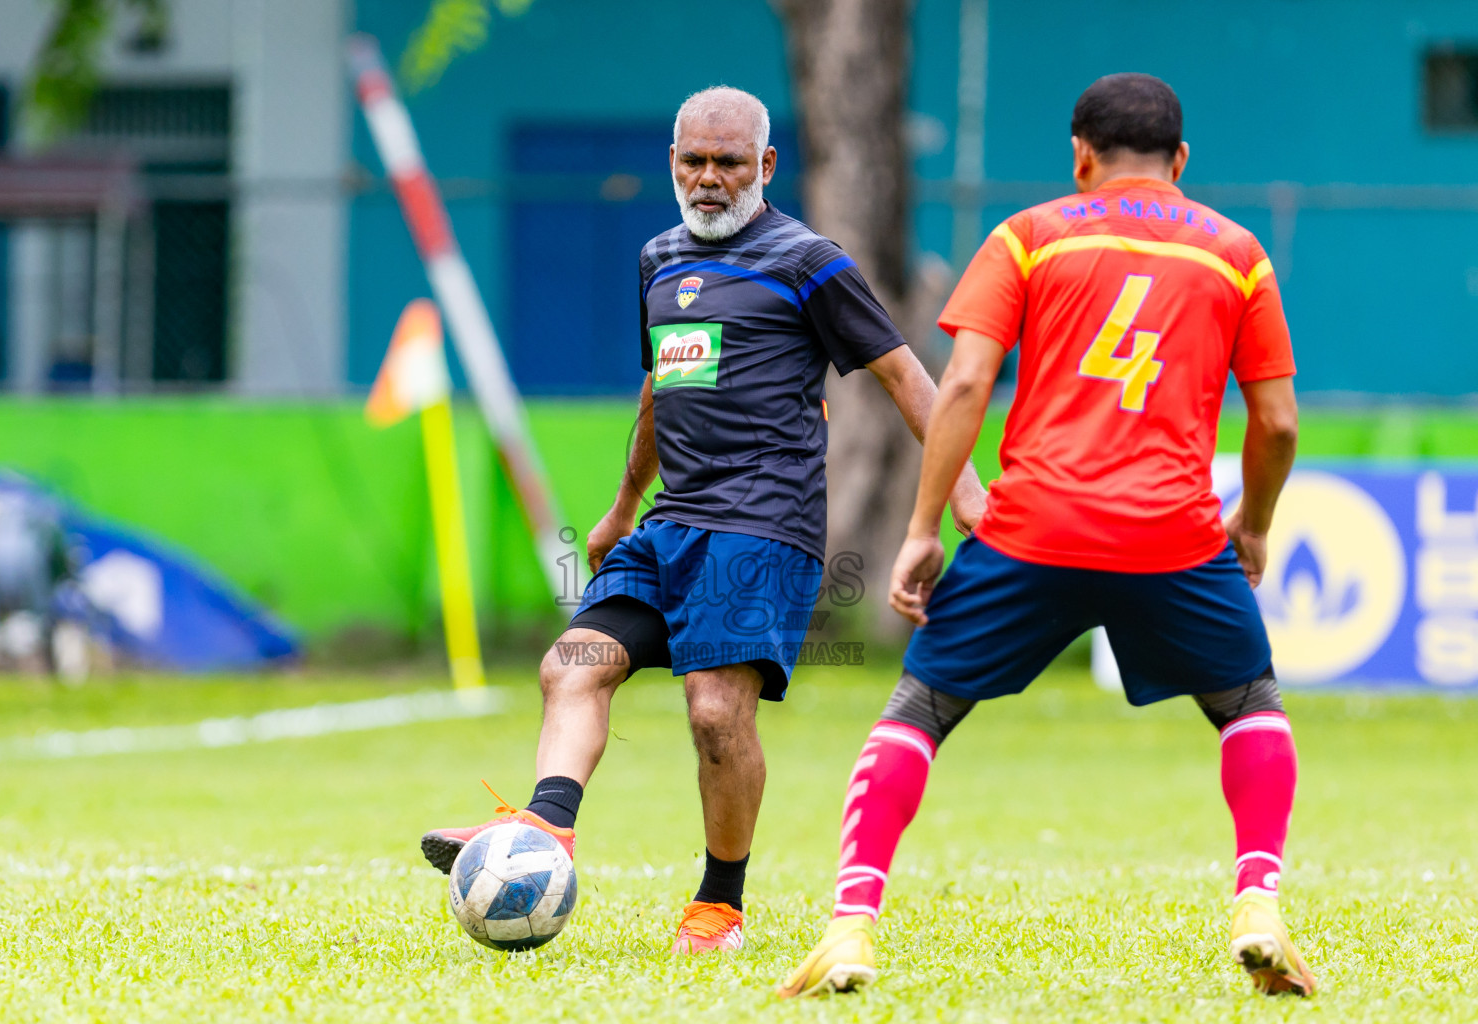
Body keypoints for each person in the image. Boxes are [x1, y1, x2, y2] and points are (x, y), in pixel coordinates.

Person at [777, 73, 1314, 998]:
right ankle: (1259, 904)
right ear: (1182, 160)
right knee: (1249, 704)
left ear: (1080, 154)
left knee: (918, 712)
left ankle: (852, 927)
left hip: (1034, 527)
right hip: (1173, 535)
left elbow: (962, 385)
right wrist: (1252, 524)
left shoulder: (1026, 236)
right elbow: (1277, 426)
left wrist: (921, 526)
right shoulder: (1239, 255)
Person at [420, 87, 988, 954]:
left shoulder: (810, 262)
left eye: (730, 162)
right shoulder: (657, 258)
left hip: (765, 523)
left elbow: (912, 379)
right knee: (571, 667)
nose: (710, 178)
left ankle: (720, 904)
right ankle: (543, 832)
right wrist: (619, 509)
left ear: (765, 166)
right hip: (672, 521)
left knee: (716, 712)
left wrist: (963, 491)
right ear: (673, 163)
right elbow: (659, 390)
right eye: (694, 161)